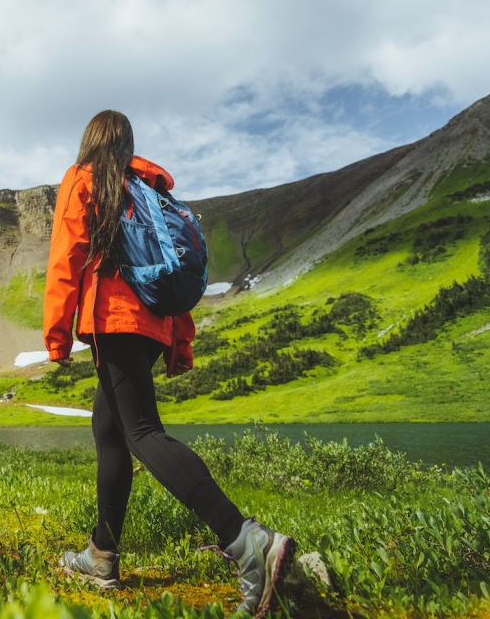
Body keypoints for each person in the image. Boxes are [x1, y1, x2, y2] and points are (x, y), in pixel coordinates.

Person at [45, 110, 296, 618]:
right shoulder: (152, 192)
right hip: (154, 325)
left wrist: (56, 335)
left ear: (90, 141)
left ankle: (246, 541)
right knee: (110, 430)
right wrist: (179, 342)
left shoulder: (85, 179)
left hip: (114, 318)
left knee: (141, 432)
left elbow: (66, 255)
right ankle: (101, 554)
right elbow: (178, 270)